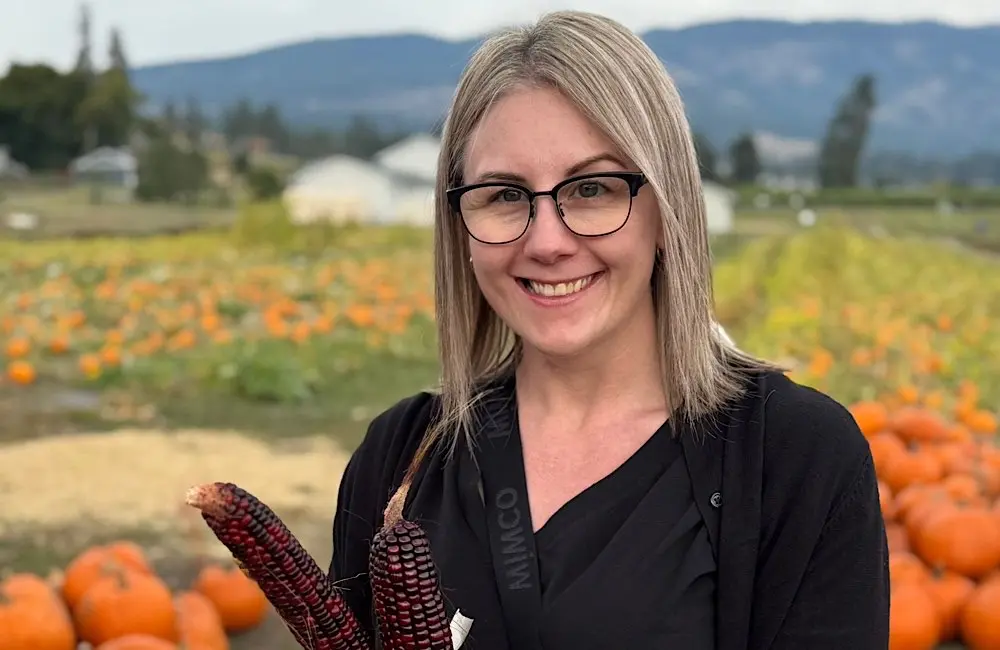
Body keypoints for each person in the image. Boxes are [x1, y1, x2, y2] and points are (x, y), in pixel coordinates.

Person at [330, 10, 889, 650]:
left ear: (667, 211)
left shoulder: (795, 459)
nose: (547, 242)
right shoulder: (399, 456)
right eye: (504, 195)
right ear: (461, 226)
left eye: (592, 188)